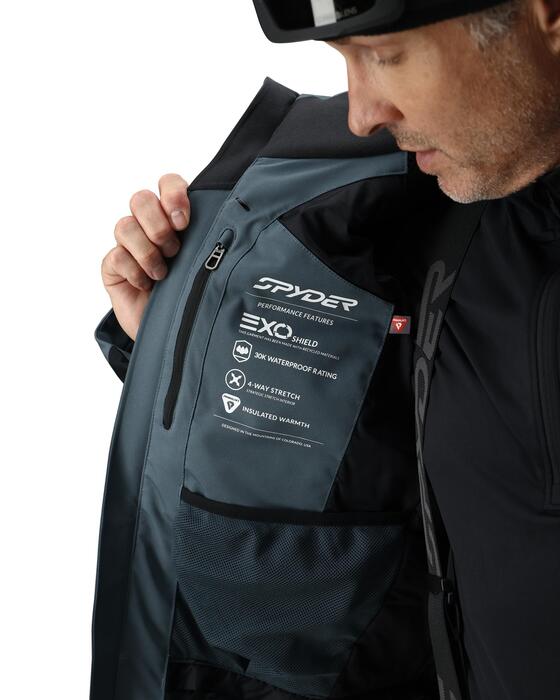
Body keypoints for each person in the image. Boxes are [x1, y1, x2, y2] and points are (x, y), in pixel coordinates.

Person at [99, 2, 560, 699]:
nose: (360, 114)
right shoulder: (417, 213)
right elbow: (373, 523)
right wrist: (192, 348)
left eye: (384, 54)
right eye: (344, 62)